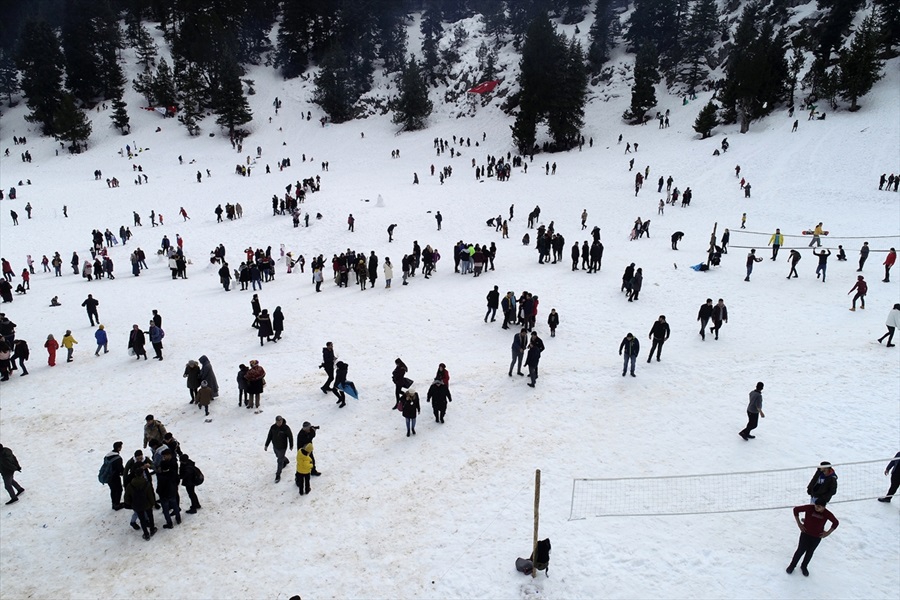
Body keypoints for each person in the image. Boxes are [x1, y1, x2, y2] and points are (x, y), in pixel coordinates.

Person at [786, 503, 839, 576]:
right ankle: (792, 565)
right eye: (816, 506)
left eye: (819, 506)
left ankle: (804, 566)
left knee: (810, 552)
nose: (816, 508)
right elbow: (796, 510)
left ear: (824, 507)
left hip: (817, 537)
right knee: (800, 550)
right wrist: (799, 524)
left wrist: (827, 533)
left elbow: (835, 522)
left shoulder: (827, 513)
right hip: (805, 534)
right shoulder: (809, 508)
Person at [155, 449, 181, 529]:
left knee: (166, 510)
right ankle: (178, 518)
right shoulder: (172, 473)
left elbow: (159, 488)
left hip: (164, 495)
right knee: (175, 505)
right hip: (172, 492)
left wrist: (158, 492)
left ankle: (169, 523)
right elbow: (177, 479)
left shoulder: (161, 476)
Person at [265, 416, 294, 483]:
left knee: (279, 460)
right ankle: (286, 460)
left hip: (283, 447)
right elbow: (269, 436)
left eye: (280, 422)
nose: (279, 423)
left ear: (282, 421)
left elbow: (290, 436)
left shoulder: (286, 428)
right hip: (275, 446)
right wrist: (266, 445)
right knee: (278, 456)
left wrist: (291, 445)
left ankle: (278, 475)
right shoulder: (273, 427)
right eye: (277, 422)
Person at [103, 441, 125, 510]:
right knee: (119, 490)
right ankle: (117, 504)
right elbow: (120, 469)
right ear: (118, 448)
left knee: (112, 490)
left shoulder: (107, 456)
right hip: (115, 477)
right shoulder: (118, 458)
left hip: (108, 477)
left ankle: (114, 503)